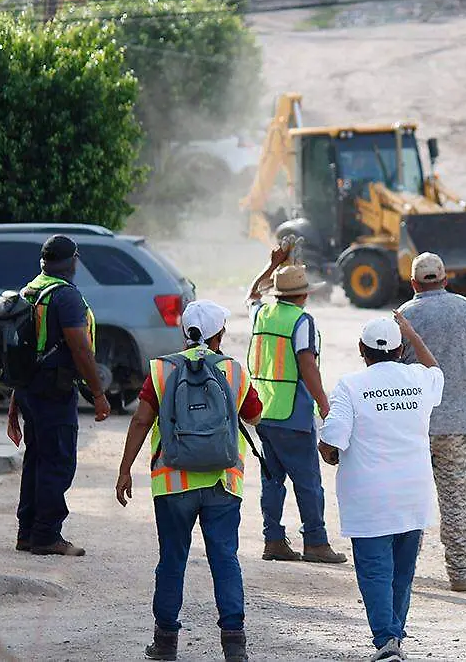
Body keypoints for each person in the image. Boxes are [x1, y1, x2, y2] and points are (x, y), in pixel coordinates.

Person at [114, 300, 263, 662]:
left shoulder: (162, 371)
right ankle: (234, 644)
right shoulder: (232, 370)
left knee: (172, 560)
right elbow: (255, 415)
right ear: (219, 334)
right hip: (223, 484)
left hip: (172, 483)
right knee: (225, 558)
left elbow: (140, 421)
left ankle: (165, 643)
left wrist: (124, 469)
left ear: (185, 332)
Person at [319, 313, 444, 662]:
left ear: (362, 349)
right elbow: (437, 372)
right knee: (402, 573)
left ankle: (387, 641)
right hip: (413, 494)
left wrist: (327, 452)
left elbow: (334, 437)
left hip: (369, 498)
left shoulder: (350, 385)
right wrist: (414, 334)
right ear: (400, 349)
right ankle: (394, 638)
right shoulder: (419, 379)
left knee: (376, 571)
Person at [398, 252, 466, 592]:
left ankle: (405, 571)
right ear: (446, 279)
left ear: (414, 283)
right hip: (457, 425)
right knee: (455, 497)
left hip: (414, 424)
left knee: (410, 499)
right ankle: (459, 572)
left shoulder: (404, 317)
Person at [7, 235, 109, 557]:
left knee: (37, 459)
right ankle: (47, 535)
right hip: (53, 391)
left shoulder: (30, 290)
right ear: (73, 261)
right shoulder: (65, 297)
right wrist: (99, 394)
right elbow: (81, 349)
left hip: (29, 391)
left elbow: (20, 352)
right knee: (58, 462)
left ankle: (28, 532)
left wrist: (14, 403)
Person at [245, 245, 347, 564]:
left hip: (263, 411)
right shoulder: (302, 321)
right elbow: (307, 365)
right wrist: (325, 406)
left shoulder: (262, 313)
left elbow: (251, 294)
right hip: (292, 412)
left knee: (272, 480)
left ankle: (273, 539)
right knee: (308, 482)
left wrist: (271, 264)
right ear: (303, 295)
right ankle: (315, 542)